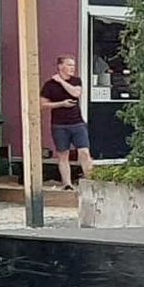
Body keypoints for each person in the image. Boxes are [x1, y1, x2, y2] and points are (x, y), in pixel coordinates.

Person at [40, 55, 93, 191]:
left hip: (77, 123)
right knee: (63, 154)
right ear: (60, 66)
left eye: (73, 65)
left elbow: (76, 93)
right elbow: (42, 104)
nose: (72, 68)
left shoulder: (76, 81)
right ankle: (67, 184)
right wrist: (61, 104)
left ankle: (91, 182)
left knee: (84, 152)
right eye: (69, 65)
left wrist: (61, 81)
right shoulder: (49, 85)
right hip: (59, 125)